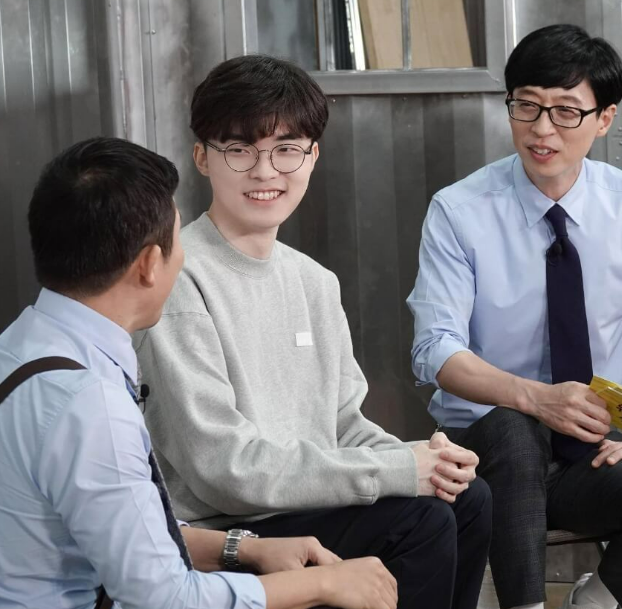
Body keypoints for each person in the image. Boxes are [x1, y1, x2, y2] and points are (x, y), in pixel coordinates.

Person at [135, 54, 492, 609]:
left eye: (286, 149)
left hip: (308, 505)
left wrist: (428, 459)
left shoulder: (314, 282)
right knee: (417, 521)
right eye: (240, 150)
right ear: (202, 157)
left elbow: (344, 427)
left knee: (469, 498)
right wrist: (400, 470)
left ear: (313, 155)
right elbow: (224, 470)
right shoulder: (181, 278)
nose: (265, 171)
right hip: (229, 526)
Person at [0, 136, 400, 609]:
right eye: (176, 241)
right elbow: (167, 599)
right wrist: (327, 585)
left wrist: (243, 549)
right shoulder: (91, 406)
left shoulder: (22, 347)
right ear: (150, 265)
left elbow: (124, 532)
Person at [408, 24, 622, 609]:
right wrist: (537, 399)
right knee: (512, 427)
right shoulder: (459, 211)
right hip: (480, 455)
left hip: (591, 450)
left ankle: (598, 599)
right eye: (526, 105)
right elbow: (434, 349)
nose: (541, 129)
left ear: (604, 119)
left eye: (565, 111)